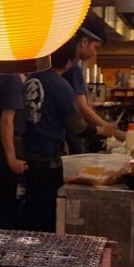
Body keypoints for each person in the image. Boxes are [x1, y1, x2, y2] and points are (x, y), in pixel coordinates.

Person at [22, 39, 84, 232]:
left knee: (30, 212)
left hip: (26, 157)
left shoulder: (31, 79)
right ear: (68, 60)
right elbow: (76, 125)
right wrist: (101, 130)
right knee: (46, 216)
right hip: (48, 160)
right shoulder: (60, 85)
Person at [64, 15, 127, 149]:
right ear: (84, 42)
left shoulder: (70, 67)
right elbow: (82, 108)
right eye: (96, 47)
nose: (95, 53)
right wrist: (112, 131)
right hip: (69, 136)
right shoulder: (73, 69)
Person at [0, 70, 27, 229]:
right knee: (6, 212)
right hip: (4, 154)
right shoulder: (12, 77)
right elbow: (7, 120)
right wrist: (12, 159)